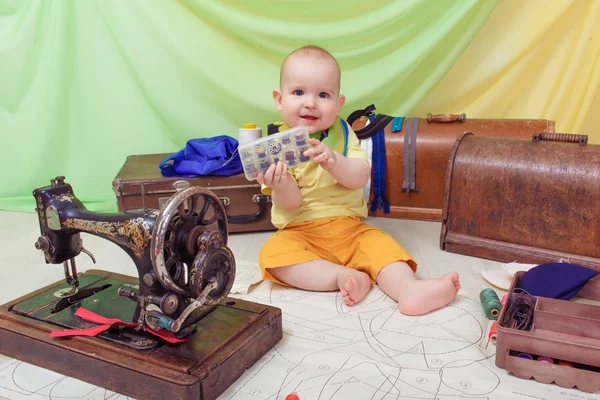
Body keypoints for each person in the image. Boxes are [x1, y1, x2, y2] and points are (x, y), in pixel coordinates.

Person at [256, 45, 460, 315]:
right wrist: (281, 183)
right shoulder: (277, 148)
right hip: (300, 233)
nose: (310, 103)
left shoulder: (344, 133)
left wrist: (334, 162)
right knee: (273, 255)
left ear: (338, 103)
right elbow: (290, 205)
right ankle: (341, 277)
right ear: (279, 99)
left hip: (349, 229)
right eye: (298, 92)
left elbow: (360, 177)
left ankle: (408, 290)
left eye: (323, 94)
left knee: (381, 246)